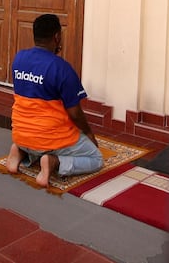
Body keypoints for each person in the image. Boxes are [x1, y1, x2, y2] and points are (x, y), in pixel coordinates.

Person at [6, 13, 103, 186]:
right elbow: (75, 114)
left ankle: (20, 152)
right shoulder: (62, 68)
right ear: (57, 37)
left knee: (36, 139)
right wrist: (88, 133)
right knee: (96, 159)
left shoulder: (19, 58)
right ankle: (54, 162)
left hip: (20, 134)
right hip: (49, 140)